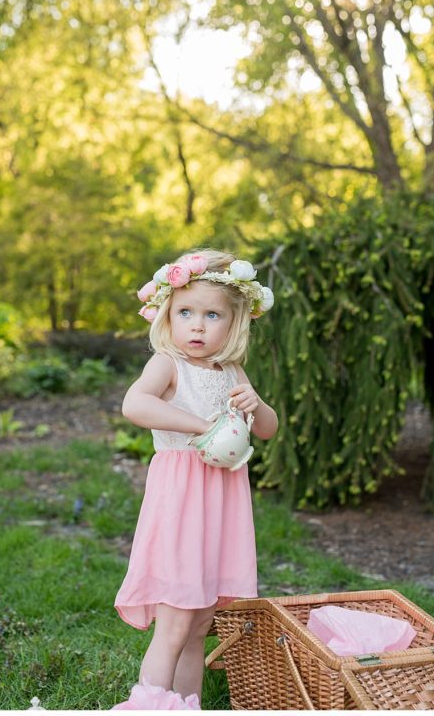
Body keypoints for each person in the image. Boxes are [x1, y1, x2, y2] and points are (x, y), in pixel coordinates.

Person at [112, 249, 278, 709]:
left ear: (234, 323)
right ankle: (148, 705)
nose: (198, 326)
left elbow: (267, 429)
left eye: (211, 315)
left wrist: (256, 404)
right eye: (186, 312)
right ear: (168, 316)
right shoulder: (168, 364)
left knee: (200, 623)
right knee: (175, 622)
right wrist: (201, 426)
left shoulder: (231, 372)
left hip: (221, 504)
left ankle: (187, 705)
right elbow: (135, 405)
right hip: (182, 501)